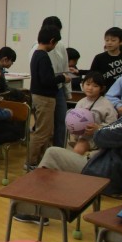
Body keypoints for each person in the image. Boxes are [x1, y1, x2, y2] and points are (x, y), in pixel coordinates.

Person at [38, 70, 122, 197]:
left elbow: (102, 138)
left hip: (106, 173)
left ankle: (36, 197)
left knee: (52, 153)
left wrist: (97, 129)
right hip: (109, 165)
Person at [28, 25, 71, 168]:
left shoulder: (37, 54)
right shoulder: (43, 56)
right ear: (52, 41)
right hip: (44, 98)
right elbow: (47, 80)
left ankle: (40, 161)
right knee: (42, 133)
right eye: (56, 43)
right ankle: (31, 162)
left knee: (44, 132)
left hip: (40, 96)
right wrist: (63, 78)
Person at [68, 71, 117, 155]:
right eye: (88, 84)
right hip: (83, 137)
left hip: (99, 138)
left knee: (78, 150)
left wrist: (98, 128)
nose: (90, 88)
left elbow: (113, 126)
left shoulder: (107, 105)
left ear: (102, 88)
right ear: (82, 85)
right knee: (77, 149)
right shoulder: (80, 102)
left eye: (95, 86)